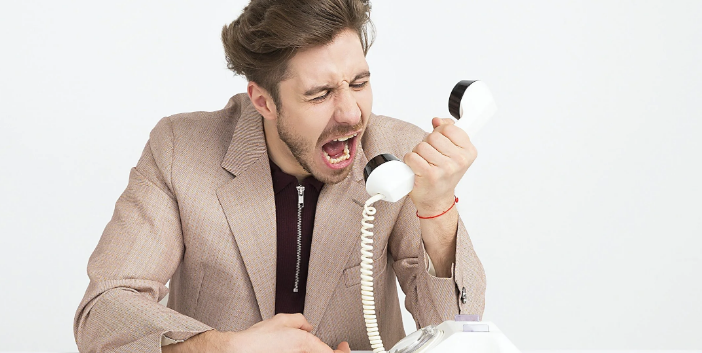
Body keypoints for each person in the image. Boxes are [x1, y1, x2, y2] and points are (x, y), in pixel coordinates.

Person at [73, 0, 486, 352]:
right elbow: (104, 311)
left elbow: (460, 330)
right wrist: (223, 347)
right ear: (263, 101)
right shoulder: (180, 148)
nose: (351, 114)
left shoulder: (395, 153)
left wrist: (437, 209)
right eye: (320, 94)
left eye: (359, 83)